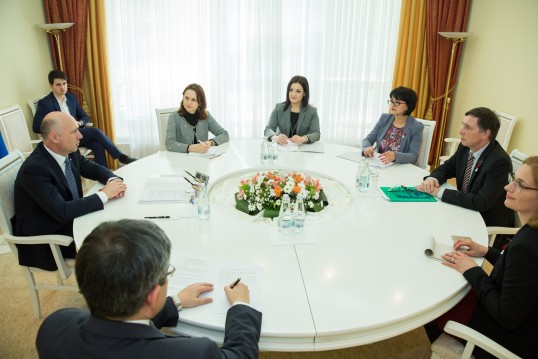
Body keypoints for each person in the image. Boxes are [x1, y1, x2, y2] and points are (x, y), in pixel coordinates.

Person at [36, 219, 262, 359]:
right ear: (152, 295)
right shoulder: (194, 353)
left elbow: (118, 334)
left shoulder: (53, 327)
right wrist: (240, 306)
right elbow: (241, 354)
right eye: (166, 274)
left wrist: (175, 302)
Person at [425, 156, 538, 359]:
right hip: (520, 316)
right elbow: (518, 270)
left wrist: (473, 270)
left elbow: (507, 317)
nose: (508, 187)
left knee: (432, 304)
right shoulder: (530, 233)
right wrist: (486, 251)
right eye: (513, 178)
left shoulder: (527, 245)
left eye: (520, 185)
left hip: (509, 338)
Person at [13, 112, 127, 271]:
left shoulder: (69, 151)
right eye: (74, 131)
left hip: (69, 221)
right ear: (54, 137)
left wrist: (112, 179)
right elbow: (62, 211)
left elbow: (92, 169)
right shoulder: (34, 169)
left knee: (121, 226)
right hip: (49, 240)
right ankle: (105, 291)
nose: (80, 136)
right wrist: (104, 194)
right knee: (114, 249)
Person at [416, 107, 514, 227]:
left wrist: (439, 192)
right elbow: (447, 168)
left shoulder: (499, 162)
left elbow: (481, 202)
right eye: (463, 126)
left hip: (484, 223)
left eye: (467, 128)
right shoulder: (465, 147)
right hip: (463, 210)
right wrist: (433, 179)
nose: (461, 131)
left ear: (485, 134)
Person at [33, 70, 136, 168]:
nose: (62, 87)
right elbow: (36, 127)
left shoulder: (71, 98)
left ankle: (104, 177)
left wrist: (80, 122)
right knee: (95, 131)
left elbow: (84, 115)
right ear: (51, 86)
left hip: (77, 134)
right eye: (58, 84)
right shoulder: (45, 103)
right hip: (63, 137)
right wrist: (57, 128)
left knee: (98, 146)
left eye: (64, 83)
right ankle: (121, 157)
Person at [362, 86, 423, 165]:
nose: (392, 105)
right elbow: (368, 140)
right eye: (391, 101)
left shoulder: (416, 127)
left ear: (407, 106)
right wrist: (367, 148)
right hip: (381, 164)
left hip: (401, 167)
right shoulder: (384, 118)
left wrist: (396, 156)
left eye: (397, 102)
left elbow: (413, 156)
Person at [165, 83, 229, 153]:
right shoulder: (174, 117)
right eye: (186, 98)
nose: (188, 102)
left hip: (202, 160)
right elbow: (169, 144)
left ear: (200, 103)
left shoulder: (206, 116)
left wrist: (210, 142)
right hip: (181, 160)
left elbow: (224, 134)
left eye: (193, 100)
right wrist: (192, 148)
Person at [264, 75, 321, 144]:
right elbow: (268, 129)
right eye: (291, 90)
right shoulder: (278, 108)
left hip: (303, 150)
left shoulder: (312, 111)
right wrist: (275, 137)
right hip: (283, 148)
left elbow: (316, 134)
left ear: (304, 93)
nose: (293, 94)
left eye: (298, 91)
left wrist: (303, 138)